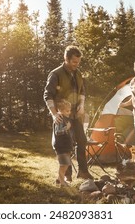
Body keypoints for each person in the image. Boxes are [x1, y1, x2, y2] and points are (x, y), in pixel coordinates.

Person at [44, 45, 93, 180]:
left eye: (78, 62)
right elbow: (47, 95)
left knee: (82, 141)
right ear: (66, 59)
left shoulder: (78, 73)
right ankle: (67, 175)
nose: (76, 64)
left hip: (76, 115)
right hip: (62, 116)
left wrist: (82, 105)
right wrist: (54, 114)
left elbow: (82, 91)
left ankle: (83, 171)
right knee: (66, 144)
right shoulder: (55, 74)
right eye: (74, 62)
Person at [52, 100, 74, 187]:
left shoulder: (65, 118)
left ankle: (59, 180)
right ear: (60, 110)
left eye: (70, 110)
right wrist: (66, 128)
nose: (69, 112)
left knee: (66, 163)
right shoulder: (60, 119)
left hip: (65, 145)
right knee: (64, 164)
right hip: (61, 146)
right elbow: (58, 132)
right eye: (67, 111)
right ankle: (62, 182)